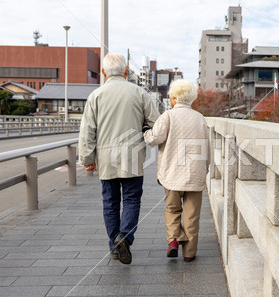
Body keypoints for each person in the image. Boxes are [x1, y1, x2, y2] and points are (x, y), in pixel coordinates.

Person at [79, 53, 160, 264]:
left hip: (106, 157)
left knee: (110, 202)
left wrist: (87, 158)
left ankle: (115, 247)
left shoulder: (95, 96)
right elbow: (156, 123)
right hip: (132, 155)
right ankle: (124, 237)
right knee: (132, 199)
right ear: (126, 71)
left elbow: (87, 130)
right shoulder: (139, 93)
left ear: (104, 72)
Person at [144, 79, 209, 262]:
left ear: (173, 98)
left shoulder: (168, 116)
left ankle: (173, 240)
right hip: (195, 174)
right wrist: (205, 169)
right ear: (191, 99)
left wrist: (146, 132)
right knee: (192, 215)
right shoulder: (200, 118)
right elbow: (207, 147)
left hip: (171, 174)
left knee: (172, 209)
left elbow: (154, 139)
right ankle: (189, 253)